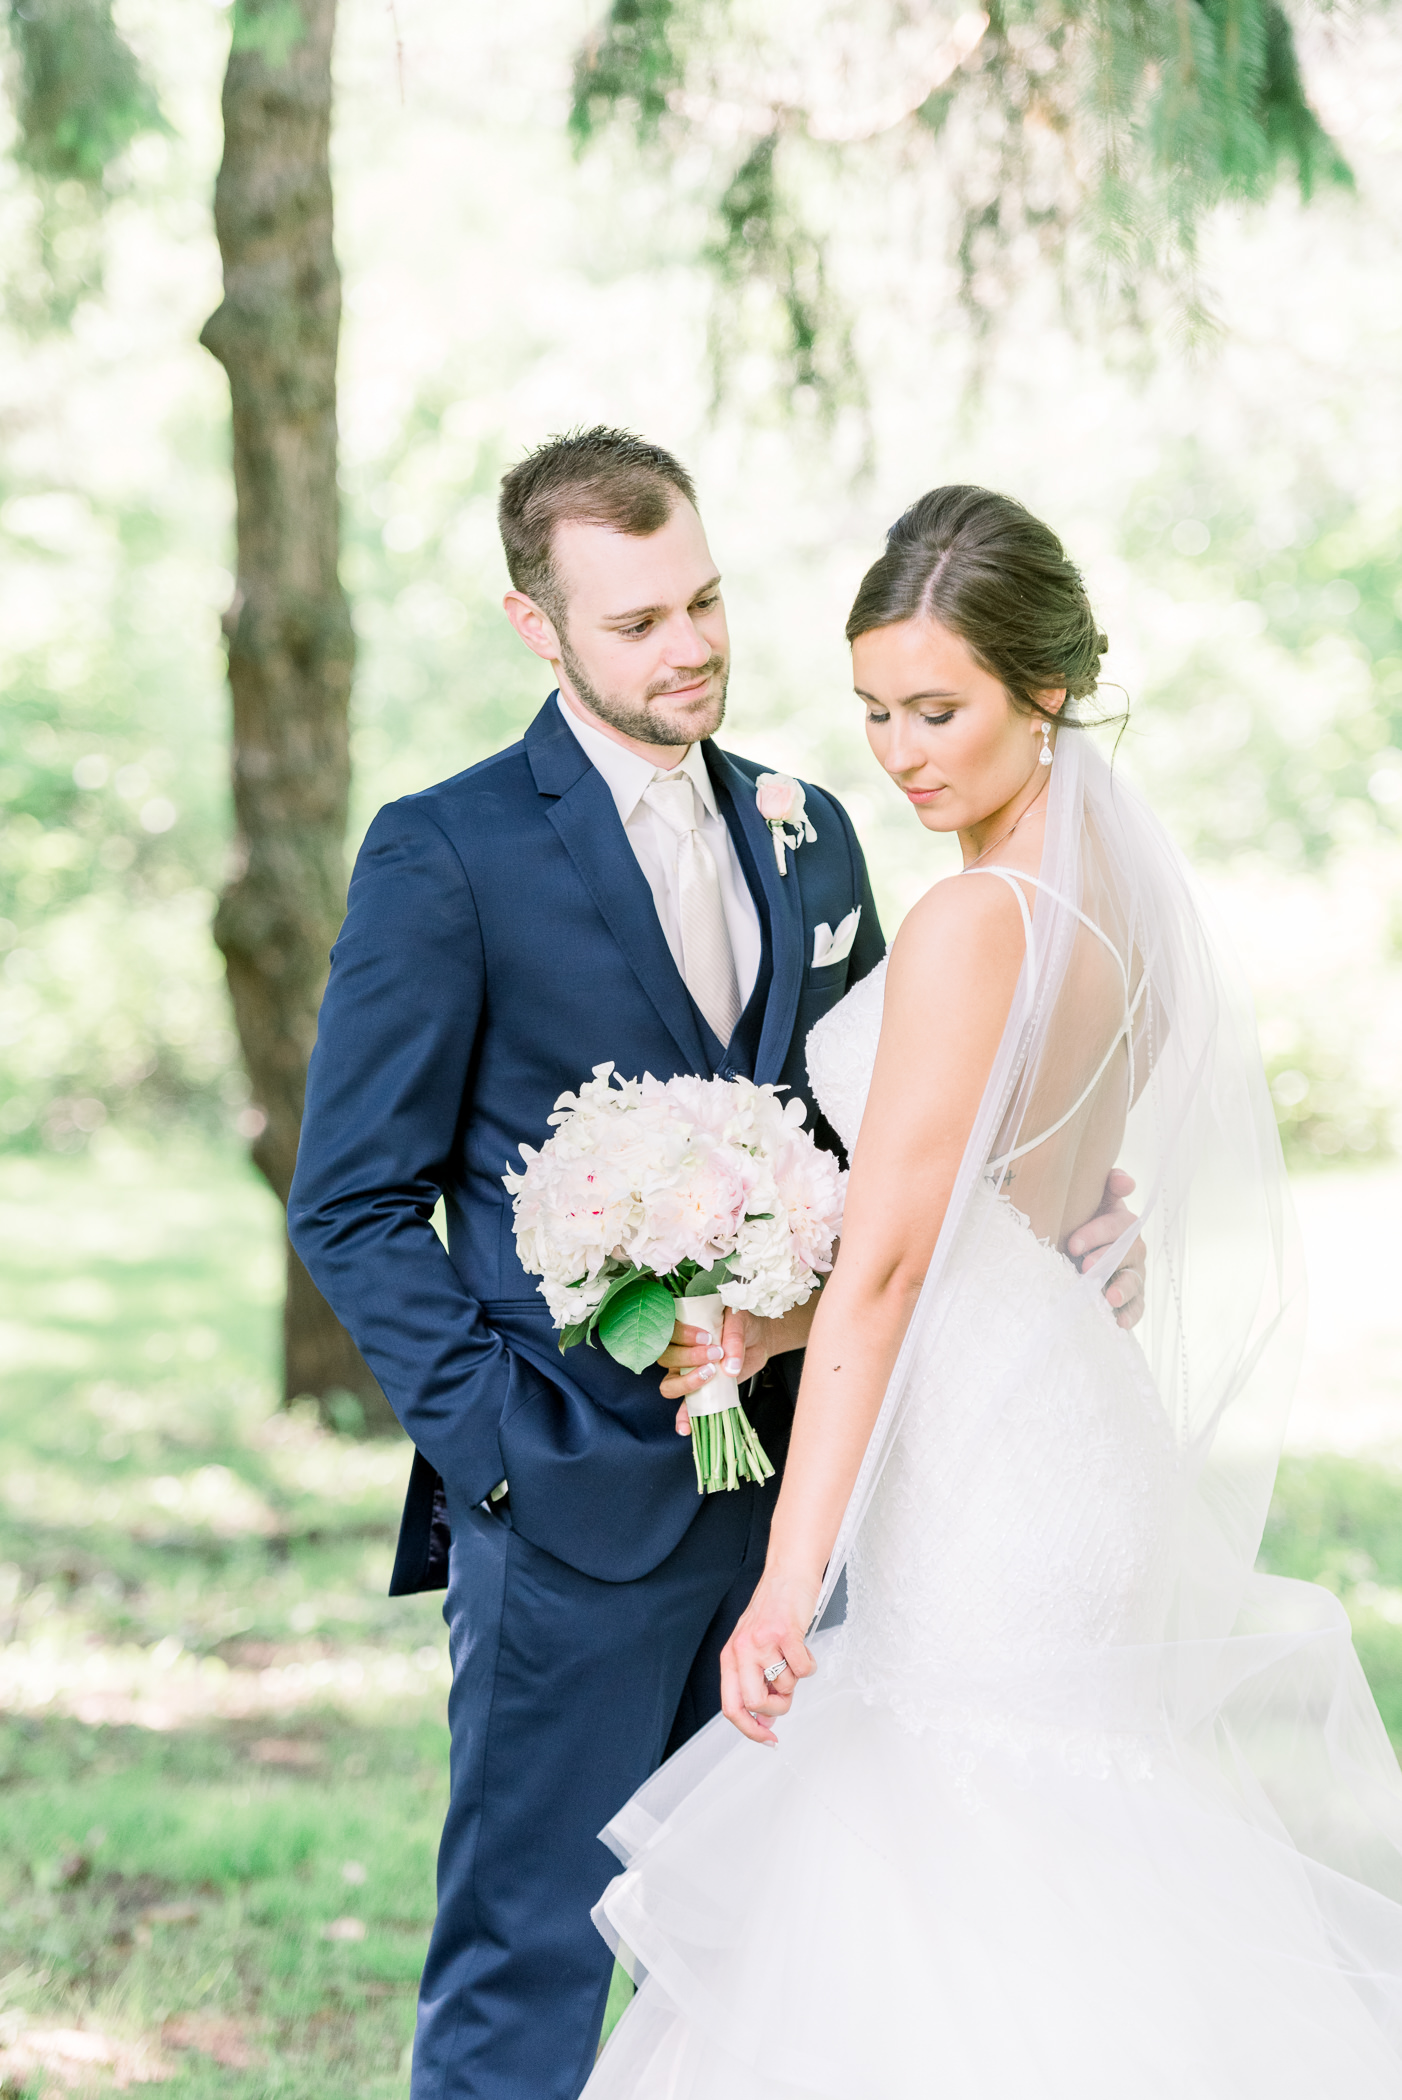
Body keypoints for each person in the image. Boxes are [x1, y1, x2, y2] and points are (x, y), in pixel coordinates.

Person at [288, 439, 1143, 2099]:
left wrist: (1055, 1239)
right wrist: (502, 1461)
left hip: (816, 1522)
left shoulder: (812, 828)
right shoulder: (442, 852)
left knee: (784, 1967)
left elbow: (894, 1154)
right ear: (539, 631)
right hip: (567, 1508)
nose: (686, 647)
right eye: (633, 625)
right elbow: (353, 1203)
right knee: (530, 1956)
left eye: (705, 600)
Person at [586, 484, 1402, 2098]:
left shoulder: (971, 918)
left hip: (979, 1467)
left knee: (939, 1847)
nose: (899, 753)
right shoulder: (1128, 913)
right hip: (1063, 1429)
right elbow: (1024, 1218)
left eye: (939, 709)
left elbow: (896, 1261)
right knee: (1060, 1847)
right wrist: (776, 1313)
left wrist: (782, 1580)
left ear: (1047, 688)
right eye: (875, 710)